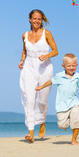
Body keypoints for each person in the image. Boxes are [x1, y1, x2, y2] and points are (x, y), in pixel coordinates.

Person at [35, 53, 79, 145]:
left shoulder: (77, 76)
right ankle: (65, 124)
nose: (71, 68)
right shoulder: (59, 76)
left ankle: (74, 139)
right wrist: (41, 87)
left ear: (76, 65)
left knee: (76, 121)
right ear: (63, 66)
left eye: (73, 66)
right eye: (69, 66)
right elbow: (50, 81)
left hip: (74, 102)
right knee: (62, 125)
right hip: (61, 105)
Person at [18, 9, 58, 142]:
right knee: (29, 99)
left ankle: (42, 122)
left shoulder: (46, 34)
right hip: (29, 67)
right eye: (34, 18)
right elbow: (24, 51)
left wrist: (46, 56)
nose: (37, 21)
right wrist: (21, 61)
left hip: (44, 68)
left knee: (42, 100)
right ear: (30, 19)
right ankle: (31, 132)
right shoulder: (24, 35)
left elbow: (55, 51)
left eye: (39, 19)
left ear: (42, 20)